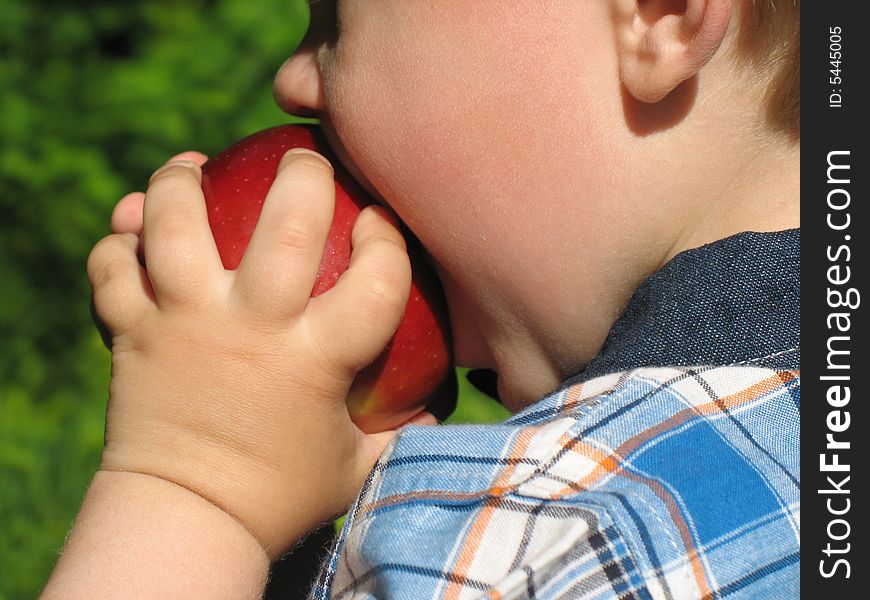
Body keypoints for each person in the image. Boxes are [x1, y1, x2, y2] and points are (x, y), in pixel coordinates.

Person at [42, 0, 800, 597]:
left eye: (337, 14)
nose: (293, 80)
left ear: (657, 13)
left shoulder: (558, 543)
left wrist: (194, 482)